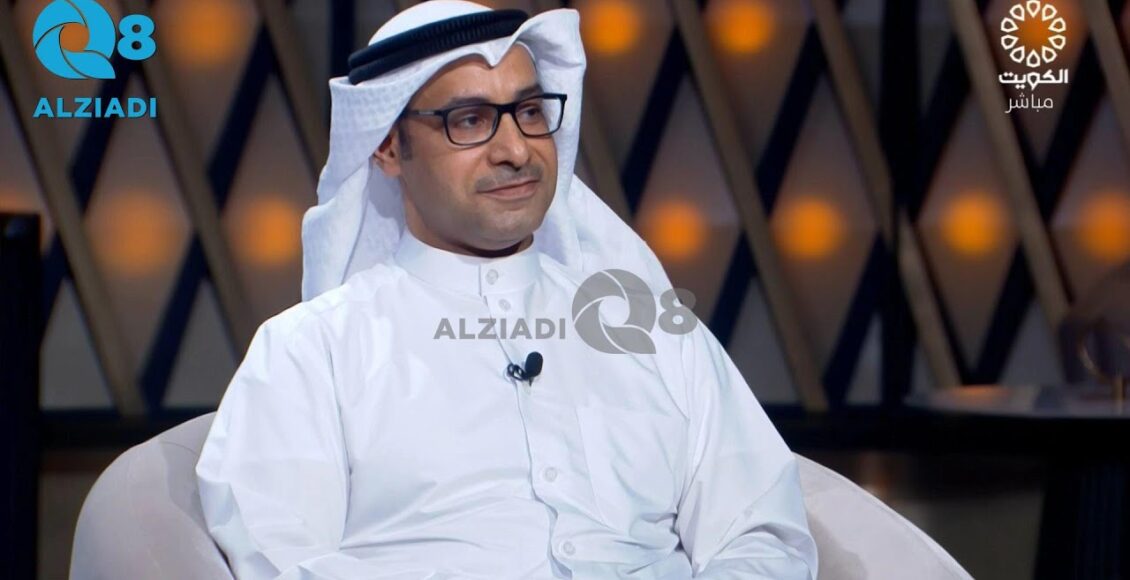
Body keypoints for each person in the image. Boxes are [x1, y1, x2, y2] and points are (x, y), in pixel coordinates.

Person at [195, 2, 818, 578]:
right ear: (387, 146)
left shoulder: (652, 331)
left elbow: (762, 533)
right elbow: (285, 561)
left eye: (529, 112)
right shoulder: (311, 351)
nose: (516, 150)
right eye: (469, 120)